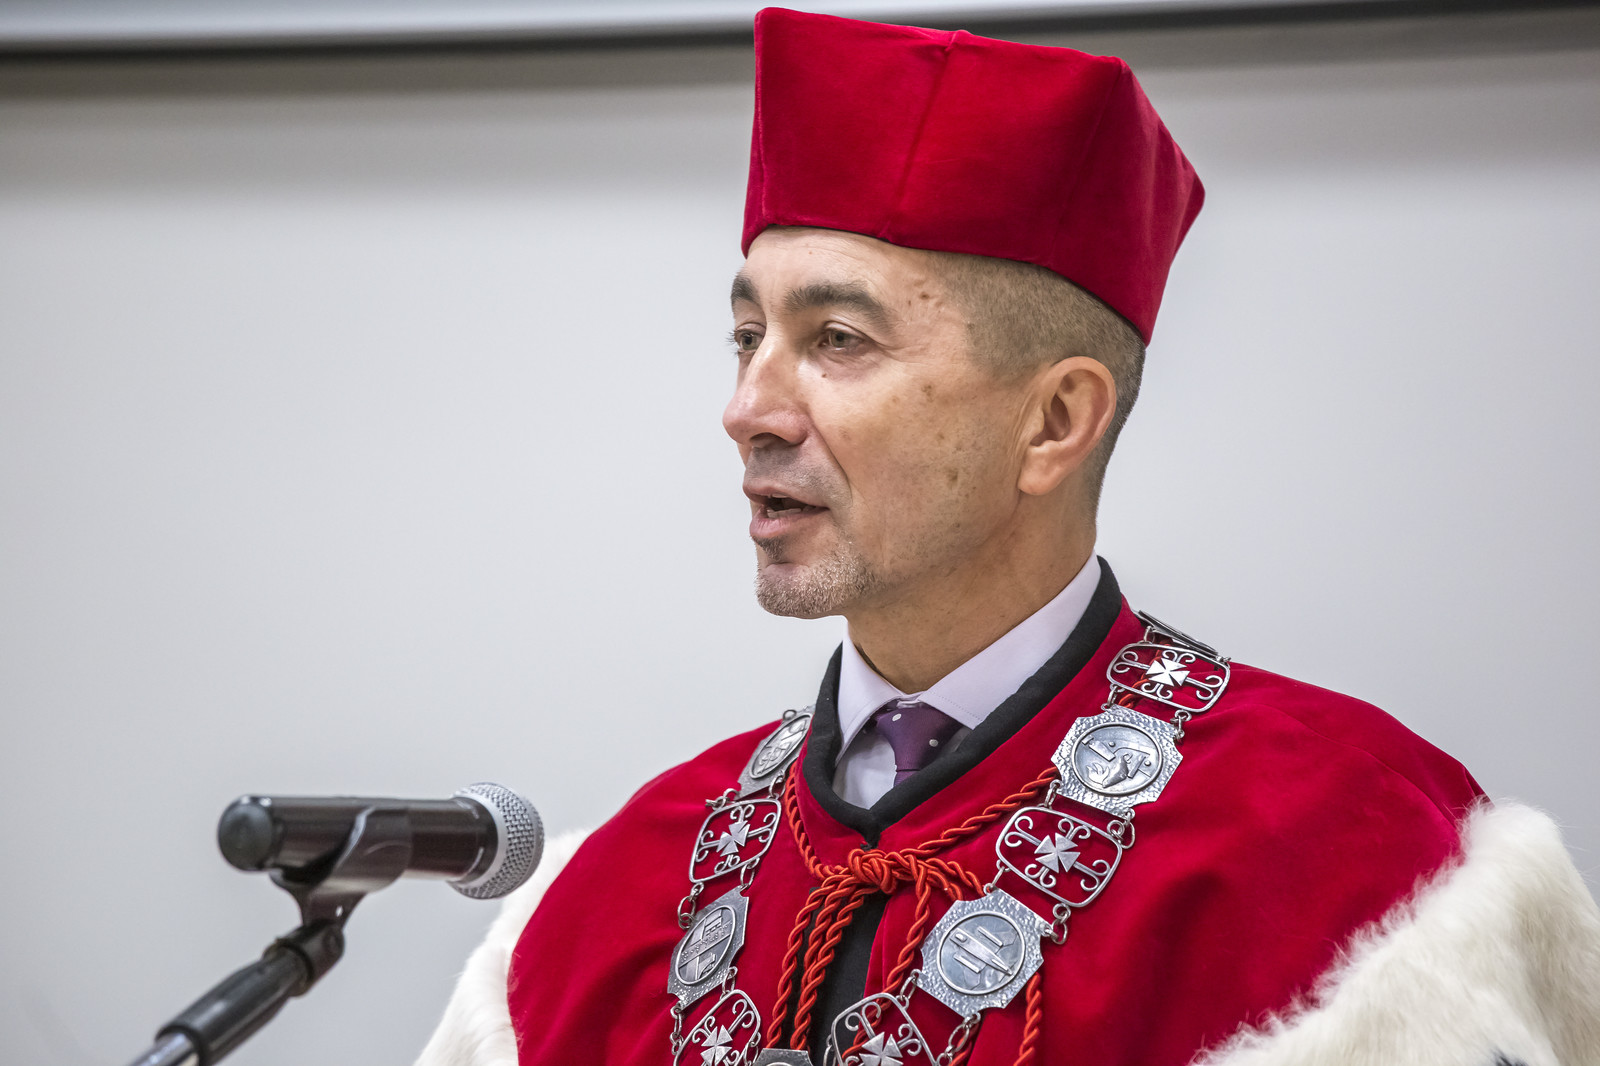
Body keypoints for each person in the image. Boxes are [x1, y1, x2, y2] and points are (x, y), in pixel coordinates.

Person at [418, 9, 1600, 1066]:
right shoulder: (613, 890)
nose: (748, 409)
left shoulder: (1353, 857)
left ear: (1054, 422)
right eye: (746, 338)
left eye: (836, 341)